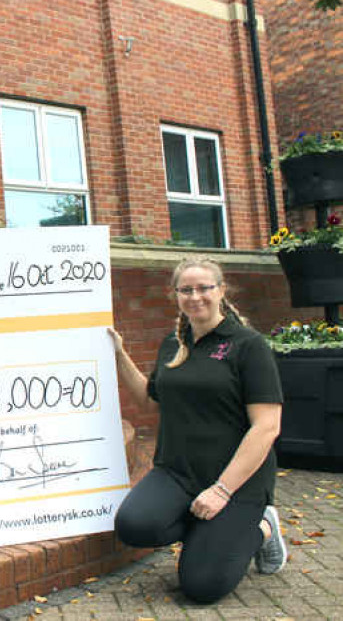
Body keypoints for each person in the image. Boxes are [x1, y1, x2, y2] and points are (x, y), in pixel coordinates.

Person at [109, 256, 288, 604]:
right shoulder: (173, 345)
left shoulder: (248, 346)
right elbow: (150, 404)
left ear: (220, 290)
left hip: (236, 482)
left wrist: (221, 492)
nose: (195, 296)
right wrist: (119, 355)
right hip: (179, 472)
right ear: (176, 295)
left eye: (204, 288)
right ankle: (212, 534)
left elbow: (267, 428)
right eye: (186, 289)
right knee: (134, 526)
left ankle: (262, 528)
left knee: (201, 586)